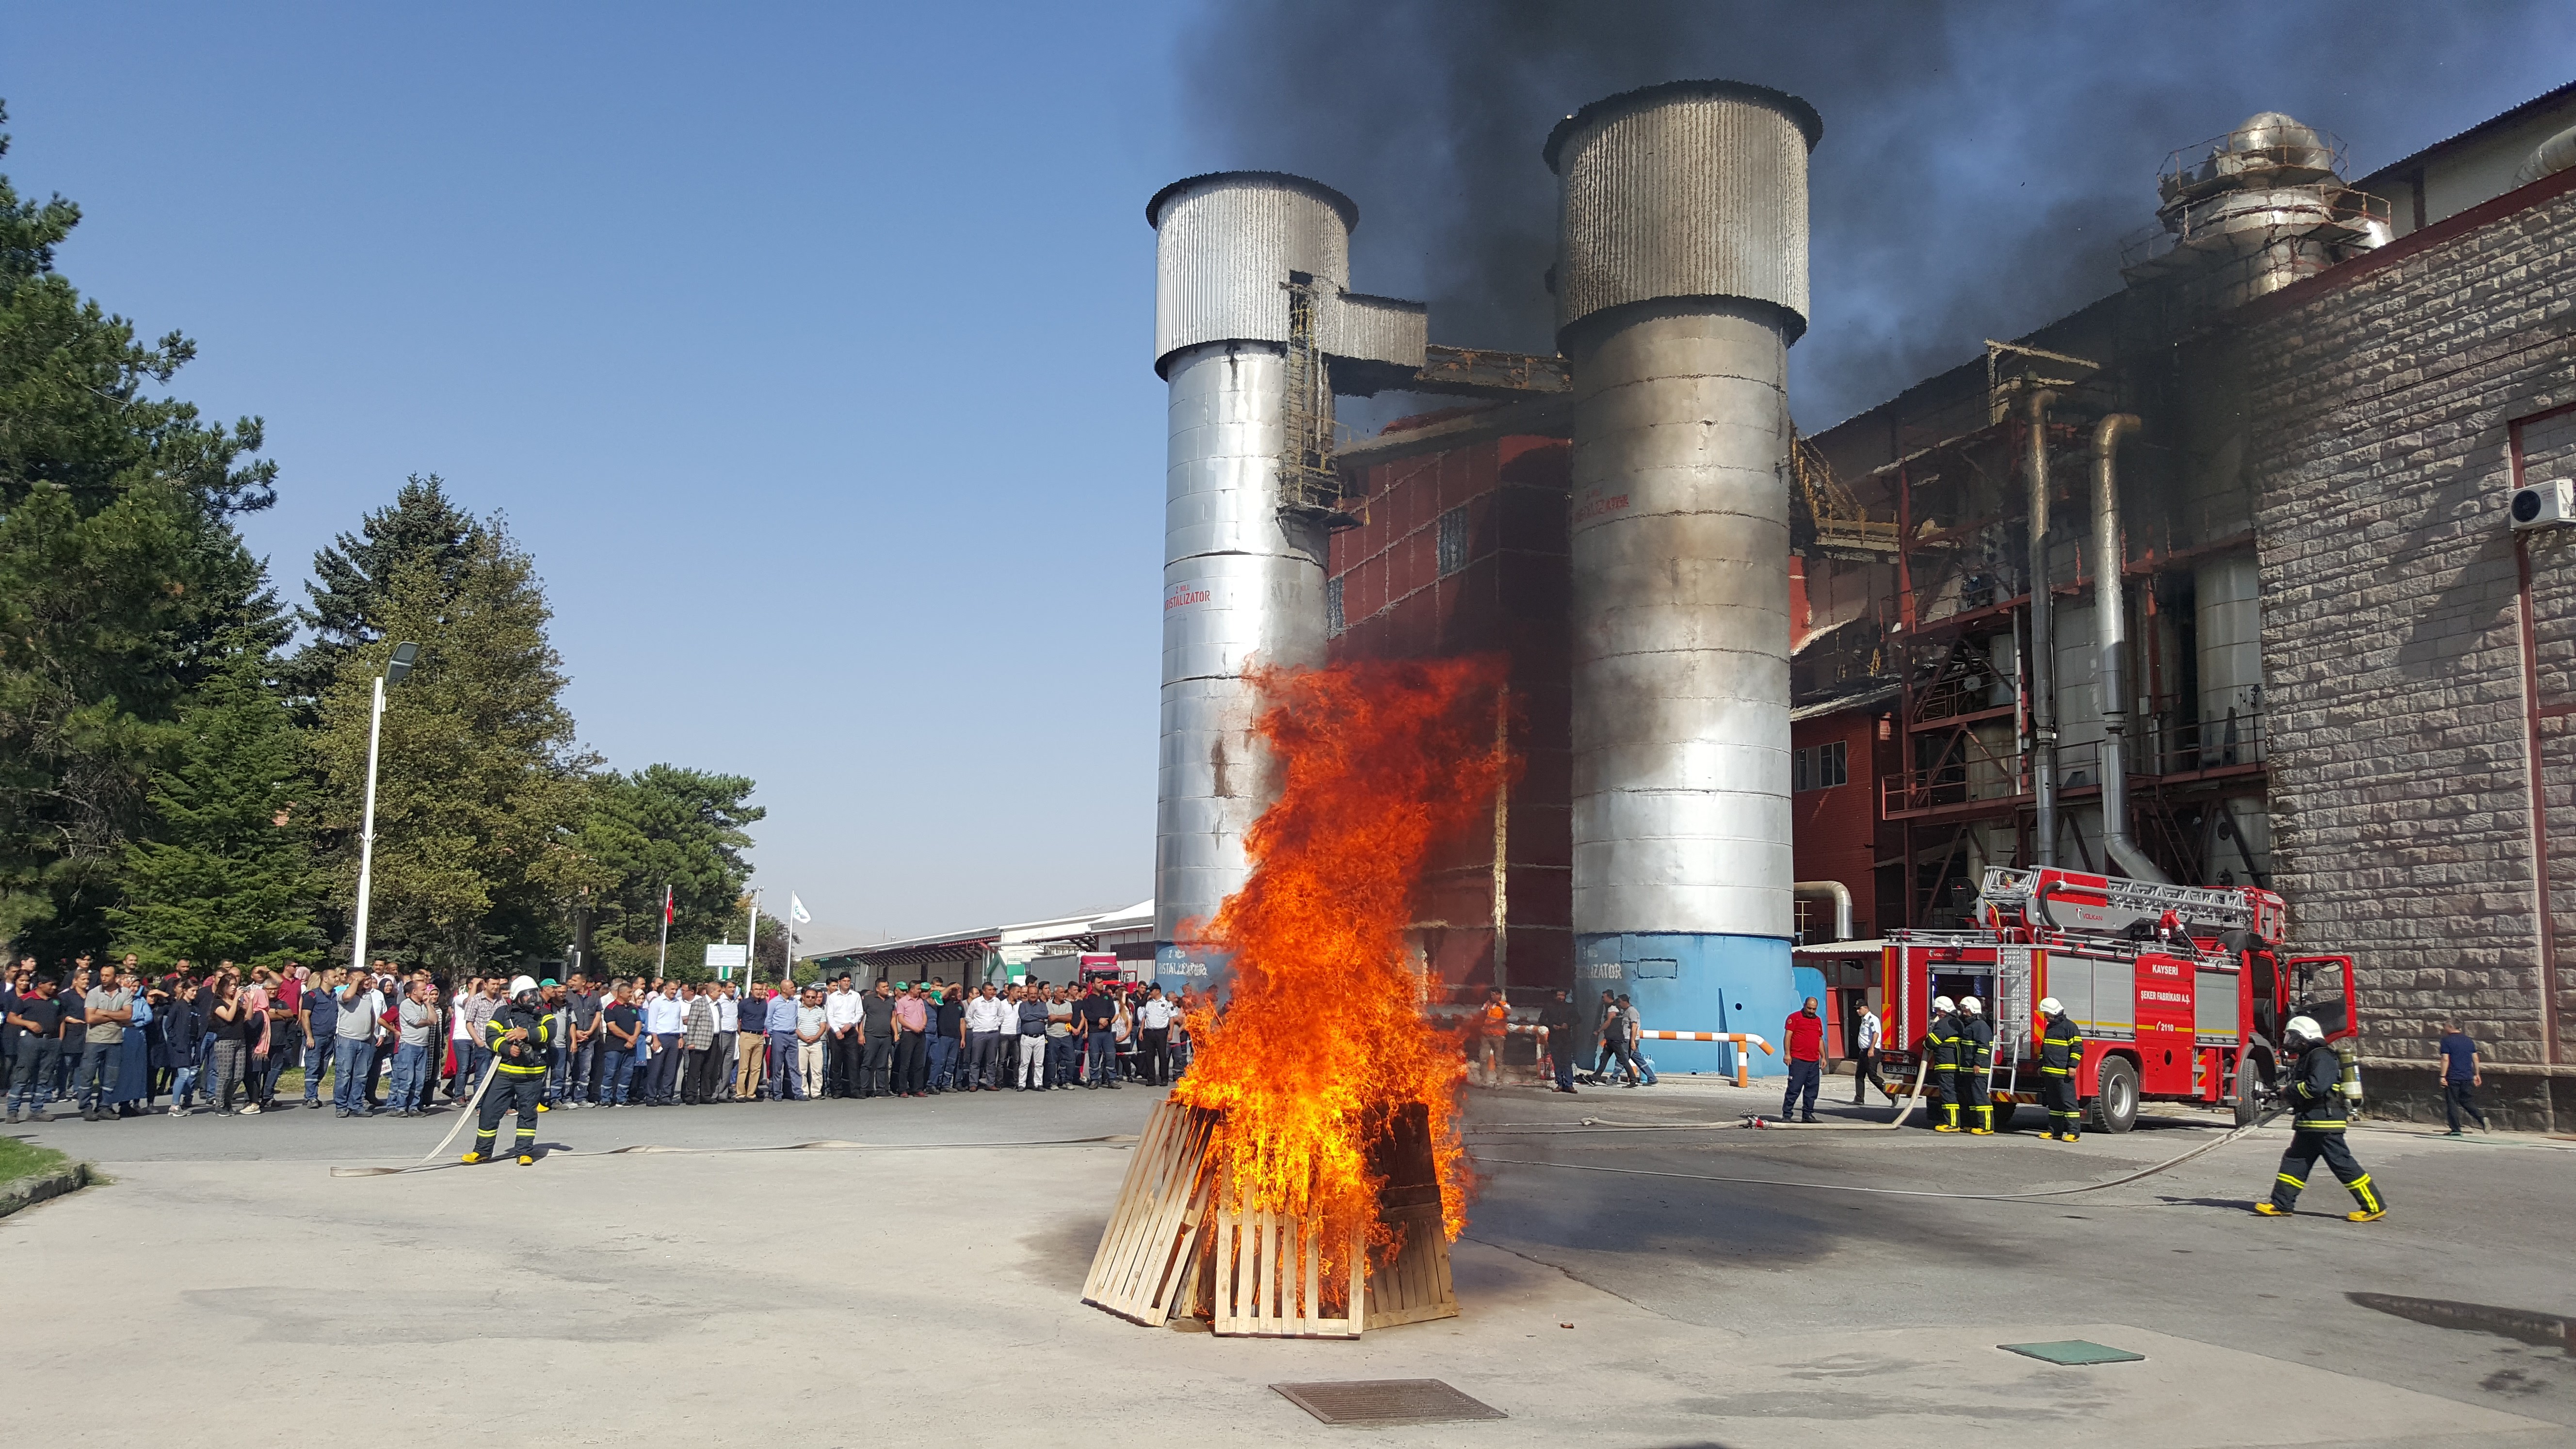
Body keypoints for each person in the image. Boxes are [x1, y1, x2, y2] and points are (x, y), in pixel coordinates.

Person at [2256, 1015, 2386, 1221]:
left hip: (2325, 1122)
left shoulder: (2321, 1056)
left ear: (2304, 1038)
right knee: (2294, 1161)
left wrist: (2289, 1092)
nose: (2289, 1042)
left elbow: (2317, 1087)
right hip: (2310, 1121)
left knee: (2342, 1164)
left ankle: (2374, 1206)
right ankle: (2281, 1204)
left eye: (2292, 1037)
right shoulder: (2309, 1056)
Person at [465, 976, 553, 1165]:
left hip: (532, 1075)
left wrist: (527, 1034)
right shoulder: (503, 1013)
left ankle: (524, 1152)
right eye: (528, 995)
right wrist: (507, 1048)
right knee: (489, 1111)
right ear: (516, 997)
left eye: (535, 994)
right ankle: (482, 1151)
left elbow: (550, 1031)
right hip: (505, 1074)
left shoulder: (543, 1014)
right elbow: (491, 1035)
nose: (533, 999)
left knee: (528, 1114)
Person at [4, 976, 65, 1125]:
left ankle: (37, 1109)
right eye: (51, 984)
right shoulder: (26, 999)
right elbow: (11, 1018)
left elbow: (62, 1020)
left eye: (56, 985)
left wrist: (60, 1039)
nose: (54, 987)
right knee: (23, 1074)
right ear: (41, 985)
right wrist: (28, 1024)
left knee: (45, 1076)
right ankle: (13, 1111)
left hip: (52, 1041)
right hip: (31, 1040)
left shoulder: (56, 1000)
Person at [75, 966, 134, 1122]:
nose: (104, 978)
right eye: (102, 975)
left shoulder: (126, 993)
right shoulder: (94, 993)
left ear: (116, 977)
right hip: (95, 1040)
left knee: (111, 1076)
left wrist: (104, 1012)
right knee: (88, 1074)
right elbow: (90, 1018)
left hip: (115, 1040)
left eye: (107, 976)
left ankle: (104, 1106)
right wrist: (117, 1017)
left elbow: (128, 1016)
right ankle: (85, 1107)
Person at [330, 969, 385, 1117]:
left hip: (366, 1040)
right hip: (347, 1039)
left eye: (367, 979)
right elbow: (348, 996)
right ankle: (341, 1106)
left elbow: (372, 1015)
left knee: (361, 1075)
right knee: (345, 1074)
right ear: (350, 980)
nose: (365, 982)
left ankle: (356, 1105)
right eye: (361, 979)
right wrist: (355, 980)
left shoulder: (368, 996)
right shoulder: (343, 994)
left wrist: (372, 1034)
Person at [2035, 997, 2085, 1142]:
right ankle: (2054, 1132)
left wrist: (2072, 1066)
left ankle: (2074, 1133)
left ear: (2052, 1012)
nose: (2045, 1016)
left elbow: (2077, 1049)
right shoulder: (2050, 1027)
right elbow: (2046, 1048)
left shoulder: (2070, 1027)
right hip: (2050, 1072)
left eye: (2046, 1013)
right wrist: (2041, 1065)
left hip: (2064, 1073)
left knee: (2069, 1104)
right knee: (2054, 1105)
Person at [391, 980, 439, 1115]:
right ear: (414, 992)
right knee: (407, 1078)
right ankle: (401, 1107)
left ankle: (414, 1107)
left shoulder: (424, 1005)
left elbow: (434, 1020)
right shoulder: (406, 1005)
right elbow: (416, 1022)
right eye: (423, 990)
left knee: (419, 1079)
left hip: (423, 1046)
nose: (426, 992)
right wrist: (428, 1021)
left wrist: (428, 1004)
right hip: (409, 1046)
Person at [300, 966, 342, 1108]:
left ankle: (309, 1095)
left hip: (330, 1036)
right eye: (334, 977)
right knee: (313, 1065)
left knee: (323, 1067)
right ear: (325, 979)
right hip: (316, 1036)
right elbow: (305, 1016)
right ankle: (312, 1097)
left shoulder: (335, 995)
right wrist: (309, 1036)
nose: (337, 979)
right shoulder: (312, 995)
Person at [2438, 1022, 2488, 1135]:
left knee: (2452, 1103)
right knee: (2466, 1101)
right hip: (2467, 1077)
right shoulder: (2468, 1041)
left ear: (2451, 1026)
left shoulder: (2447, 1041)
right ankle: (2481, 1118)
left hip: (2453, 1077)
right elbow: (2475, 1058)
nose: (2443, 1028)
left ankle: (2456, 1130)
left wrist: (2443, 1076)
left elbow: (2446, 1059)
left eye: (2445, 1025)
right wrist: (2477, 1074)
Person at [1955, 995, 1995, 1135]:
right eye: (1963, 1010)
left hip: (1978, 1069)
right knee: (1971, 1098)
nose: (1964, 1013)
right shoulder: (1971, 1025)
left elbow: (1984, 1047)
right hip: (1968, 1068)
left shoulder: (1980, 1026)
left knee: (1980, 1098)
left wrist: (1978, 1063)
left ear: (1974, 1010)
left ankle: (1987, 1126)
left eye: (1966, 1011)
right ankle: (1974, 1124)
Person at [1782, 997, 1825, 1123]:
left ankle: (1808, 1114)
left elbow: (1820, 1040)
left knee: (1812, 1090)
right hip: (1798, 1060)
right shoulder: (1794, 1018)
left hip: (1813, 1061)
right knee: (1794, 1088)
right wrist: (1787, 1054)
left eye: (1814, 1009)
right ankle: (1787, 1114)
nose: (1812, 1011)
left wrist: (1824, 1057)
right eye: (1809, 1008)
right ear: (1805, 1005)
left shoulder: (1818, 1021)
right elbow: (1788, 1037)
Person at [600, 982, 643, 1107]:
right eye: (629, 993)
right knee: (610, 1072)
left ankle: (622, 1098)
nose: (631, 995)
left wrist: (634, 1039)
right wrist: (628, 1038)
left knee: (627, 1073)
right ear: (621, 993)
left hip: (631, 1046)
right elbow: (612, 1027)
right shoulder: (611, 1008)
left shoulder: (633, 1008)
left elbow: (638, 1023)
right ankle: (606, 1099)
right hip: (614, 1046)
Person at [1926, 995, 1961, 1132]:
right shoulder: (1957, 1022)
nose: (1937, 1014)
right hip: (1955, 1065)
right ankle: (1956, 1121)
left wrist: (1926, 1042)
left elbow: (1931, 1043)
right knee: (1953, 1093)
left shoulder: (1943, 1024)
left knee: (1948, 1094)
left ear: (1945, 1010)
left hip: (1946, 1065)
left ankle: (1952, 1123)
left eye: (1939, 1011)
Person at [1076, 981, 1119, 1090]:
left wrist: (1106, 1021)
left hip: (1107, 1032)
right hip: (1094, 1032)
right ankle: (1094, 1079)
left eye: (1102, 983)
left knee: (1110, 1055)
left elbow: (1112, 1011)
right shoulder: (1089, 999)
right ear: (1093, 985)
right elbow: (1088, 1014)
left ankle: (1112, 1079)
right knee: (1094, 1056)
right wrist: (1098, 1020)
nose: (1102, 985)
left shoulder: (1107, 997)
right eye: (1099, 983)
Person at [964, 982, 1007, 1091]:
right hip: (979, 1033)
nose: (992, 992)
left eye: (993, 990)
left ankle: (990, 1083)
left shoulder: (997, 1002)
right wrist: (976, 1026)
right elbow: (968, 1017)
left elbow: (1001, 1016)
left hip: (993, 1033)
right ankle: (973, 1083)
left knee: (992, 1060)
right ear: (984, 991)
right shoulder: (976, 1002)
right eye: (990, 990)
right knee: (976, 1060)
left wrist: (995, 1024)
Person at [824, 975, 862, 1097]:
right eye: (844, 981)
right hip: (836, 1032)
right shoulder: (833, 997)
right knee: (836, 1062)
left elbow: (859, 1013)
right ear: (839, 982)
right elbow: (830, 1015)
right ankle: (837, 1090)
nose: (846, 983)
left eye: (848, 981)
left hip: (850, 1031)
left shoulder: (855, 996)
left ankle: (854, 1090)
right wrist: (837, 1030)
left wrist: (851, 1024)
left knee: (853, 1062)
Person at [1850, 999, 1891, 1106]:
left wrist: (1871, 1048)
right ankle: (1859, 1099)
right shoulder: (1864, 1020)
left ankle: (1892, 1094)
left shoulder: (1872, 1019)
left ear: (1866, 1008)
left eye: (1859, 1008)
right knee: (1859, 1075)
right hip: (1864, 1052)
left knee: (1872, 1076)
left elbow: (1876, 1034)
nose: (1858, 1011)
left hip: (1871, 1051)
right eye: (1857, 1009)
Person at [1537, 989, 1578, 1094]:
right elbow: (1542, 1019)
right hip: (1555, 1038)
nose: (1561, 997)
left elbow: (1578, 1019)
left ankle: (1569, 1085)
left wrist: (1568, 1024)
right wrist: (1552, 1026)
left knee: (1567, 1062)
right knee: (1557, 1062)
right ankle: (1560, 1084)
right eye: (1559, 995)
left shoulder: (1570, 1007)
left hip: (1566, 1038)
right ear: (1555, 996)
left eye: (1563, 995)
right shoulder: (1549, 1006)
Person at [1611, 994, 1657, 1087]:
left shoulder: (1632, 1011)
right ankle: (1652, 1078)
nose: (1619, 1004)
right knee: (1639, 1060)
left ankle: (1614, 1078)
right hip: (1631, 1040)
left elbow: (1634, 1027)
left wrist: (1632, 1042)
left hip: (1629, 1040)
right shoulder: (1627, 1011)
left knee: (1621, 1058)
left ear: (1624, 1001)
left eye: (1619, 1002)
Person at [892, 985, 930, 1096]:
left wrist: (923, 1025)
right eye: (918, 989)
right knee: (905, 1063)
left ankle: (917, 1088)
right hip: (908, 1034)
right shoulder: (903, 1002)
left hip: (920, 1034)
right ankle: (903, 1089)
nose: (920, 991)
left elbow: (924, 1015)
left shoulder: (920, 1001)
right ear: (912, 989)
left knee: (919, 1063)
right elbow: (901, 1019)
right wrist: (914, 1028)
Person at [1135, 985, 1175, 1087]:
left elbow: (1171, 1019)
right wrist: (1141, 1031)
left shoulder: (1167, 1003)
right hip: (1149, 1032)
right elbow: (1144, 1018)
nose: (1150, 993)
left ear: (1157, 991)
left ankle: (1164, 1078)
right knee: (1149, 1056)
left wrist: (1170, 1033)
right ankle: (1151, 1079)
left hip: (1161, 1032)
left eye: (1151, 991)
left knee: (1162, 1056)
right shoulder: (1149, 1003)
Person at [794, 985, 826, 1099]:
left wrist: (815, 1037)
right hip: (801, 1044)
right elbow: (794, 1027)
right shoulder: (797, 1011)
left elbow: (823, 1026)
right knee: (802, 1070)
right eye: (808, 997)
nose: (811, 999)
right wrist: (803, 1037)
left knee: (817, 1070)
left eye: (813, 997)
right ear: (803, 997)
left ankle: (816, 1092)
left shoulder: (820, 1011)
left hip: (816, 1044)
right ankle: (804, 1092)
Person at [1015, 984, 1050, 1089]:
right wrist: (1037, 1017)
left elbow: (1045, 1015)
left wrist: (1031, 1016)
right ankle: (1022, 1084)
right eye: (1031, 994)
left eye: (1035, 994)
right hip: (1027, 1037)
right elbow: (1023, 1016)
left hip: (1040, 1038)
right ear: (1028, 994)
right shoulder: (1023, 1005)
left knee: (1039, 1064)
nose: (1033, 996)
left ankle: (1038, 1084)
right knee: (1024, 1063)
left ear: (1038, 994)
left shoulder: (1043, 1005)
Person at [1476, 989, 1509, 1090]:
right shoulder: (1488, 1004)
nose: (1492, 996)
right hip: (1486, 1036)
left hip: (1498, 1037)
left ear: (1499, 995)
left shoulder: (1504, 1005)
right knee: (1483, 1058)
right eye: (1491, 995)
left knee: (1498, 1060)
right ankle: (1484, 1080)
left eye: (1494, 995)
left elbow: (1509, 1012)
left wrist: (1500, 1005)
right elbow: (1481, 1013)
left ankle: (1499, 1081)